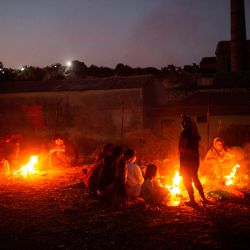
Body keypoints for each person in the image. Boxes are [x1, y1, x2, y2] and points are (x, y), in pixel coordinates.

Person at [179, 115, 207, 205]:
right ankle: (203, 197)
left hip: (187, 161)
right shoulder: (195, 134)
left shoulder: (185, 134)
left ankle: (192, 200)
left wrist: (181, 150)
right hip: (194, 160)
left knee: (186, 180)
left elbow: (183, 148)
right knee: (195, 178)